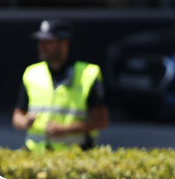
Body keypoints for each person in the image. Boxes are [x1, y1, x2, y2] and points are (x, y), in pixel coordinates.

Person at [12, 19, 109, 151]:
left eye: (48, 42)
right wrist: (24, 121)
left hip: (74, 157)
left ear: (64, 43)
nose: (42, 46)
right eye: (40, 41)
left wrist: (65, 129)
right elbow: (17, 116)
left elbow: (102, 120)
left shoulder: (88, 74)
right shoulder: (31, 73)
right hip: (35, 157)